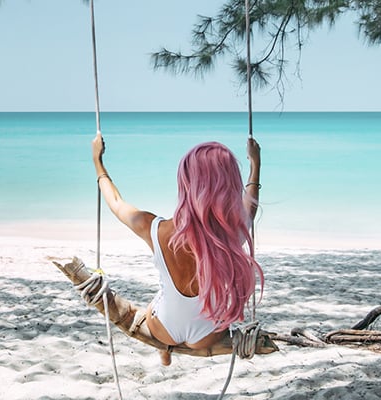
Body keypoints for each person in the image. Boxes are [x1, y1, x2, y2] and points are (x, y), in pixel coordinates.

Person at [91, 133, 263, 366]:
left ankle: (166, 349)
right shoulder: (231, 233)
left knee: (157, 302)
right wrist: (255, 164)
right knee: (211, 309)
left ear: (185, 184)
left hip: (164, 329)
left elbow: (116, 203)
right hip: (206, 335)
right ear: (229, 186)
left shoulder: (155, 228)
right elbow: (250, 201)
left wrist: (97, 162)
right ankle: (175, 344)